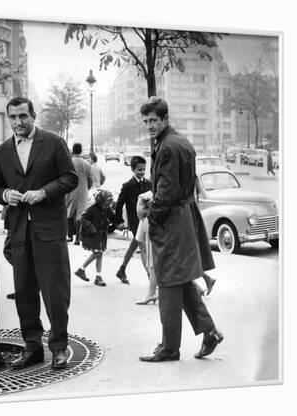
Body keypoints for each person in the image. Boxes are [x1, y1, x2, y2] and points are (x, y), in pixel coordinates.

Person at [0, 97, 78, 370]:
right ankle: (32, 348)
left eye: (23, 116)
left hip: (49, 230)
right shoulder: (2, 152)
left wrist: (43, 193)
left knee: (55, 291)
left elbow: (70, 178)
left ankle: (59, 348)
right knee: (25, 292)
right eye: (13, 117)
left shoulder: (53, 142)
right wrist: (6, 195)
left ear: (33, 115)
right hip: (18, 231)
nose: (18, 122)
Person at [138, 97, 223, 362]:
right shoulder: (180, 142)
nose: (150, 126)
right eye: (146, 122)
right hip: (183, 216)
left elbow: (166, 190)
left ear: (165, 119)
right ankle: (210, 332)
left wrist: (150, 216)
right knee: (182, 281)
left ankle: (170, 348)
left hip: (171, 221)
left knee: (167, 283)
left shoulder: (167, 147)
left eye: (154, 120)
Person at [113, 155, 152, 284]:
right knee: (143, 248)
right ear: (133, 169)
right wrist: (118, 221)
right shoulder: (127, 186)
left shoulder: (148, 184)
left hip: (147, 221)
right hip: (135, 222)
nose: (141, 172)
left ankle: (121, 269)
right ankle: (150, 276)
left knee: (135, 243)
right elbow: (119, 204)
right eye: (139, 170)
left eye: (143, 169)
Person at [74, 189, 114, 287]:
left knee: (99, 254)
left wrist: (118, 223)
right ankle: (81, 269)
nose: (107, 206)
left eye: (109, 204)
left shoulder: (107, 208)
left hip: (100, 234)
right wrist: (90, 227)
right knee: (98, 253)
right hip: (91, 234)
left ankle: (98, 276)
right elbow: (82, 218)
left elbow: (113, 216)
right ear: (100, 201)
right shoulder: (91, 208)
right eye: (105, 204)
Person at [66, 143, 93, 244]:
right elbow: (90, 180)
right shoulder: (87, 164)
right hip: (83, 192)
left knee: (69, 213)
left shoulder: (69, 162)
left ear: (73, 150)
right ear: (81, 151)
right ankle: (78, 238)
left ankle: (69, 236)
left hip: (70, 191)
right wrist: (86, 188)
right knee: (80, 215)